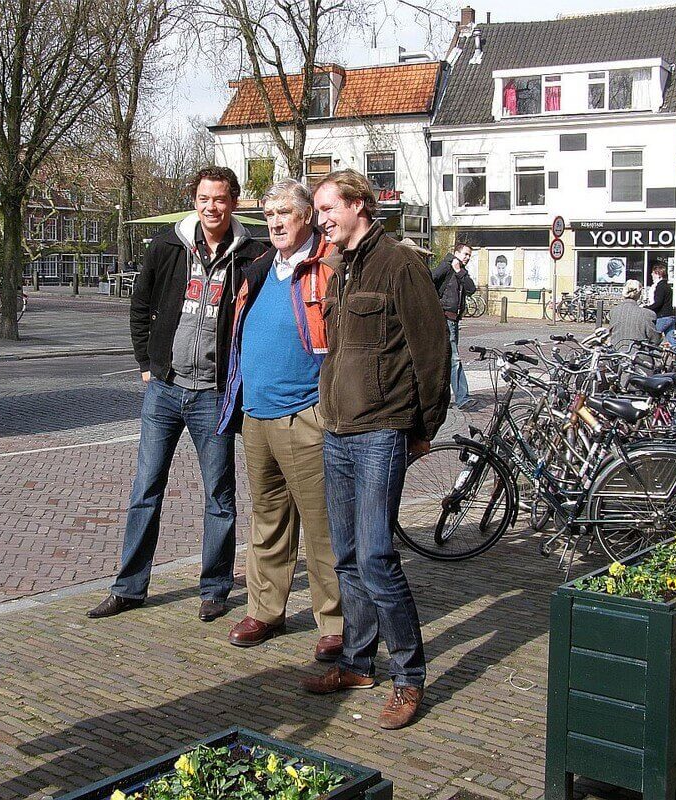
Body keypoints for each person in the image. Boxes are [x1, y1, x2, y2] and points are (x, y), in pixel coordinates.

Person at [301, 170, 450, 730]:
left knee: (377, 558)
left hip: (381, 430)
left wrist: (424, 426)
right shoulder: (340, 269)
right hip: (336, 430)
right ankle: (358, 663)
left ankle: (409, 677)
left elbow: (431, 350)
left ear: (358, 204)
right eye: (317, 212)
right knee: (345, 558)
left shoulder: (400, 264)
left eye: (327, 209)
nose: (321, 221)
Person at [88, 166, 267, 622]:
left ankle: (215, 588)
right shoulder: (168, 246)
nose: (212, 207)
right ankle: (129, 587)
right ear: (195, 200)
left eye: (221, 199)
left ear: (234, 202)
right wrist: (147, 365)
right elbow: (141, 305)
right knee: (145, 490)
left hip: (213, 394)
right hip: (164, 391)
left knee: (219, 496)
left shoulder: (252, 255)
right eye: (204, 198)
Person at [216, 179, 342, 660]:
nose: (275, 222)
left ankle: (336, 621)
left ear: (307, 215)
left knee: (322, 524)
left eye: (284, 212)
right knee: (267, 520)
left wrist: (326, 406)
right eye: (268, 214)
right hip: (256, 415)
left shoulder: (328, 265)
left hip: (306, 416)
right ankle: (266, 611)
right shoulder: (259, 266)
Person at [432, 242, 477, 410]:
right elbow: (430, 279)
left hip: (454, 320)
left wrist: (459, 271)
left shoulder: (460, 270)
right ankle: (462, 398)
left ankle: (438, 398)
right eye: (465, 254)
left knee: (446, 359)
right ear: (456, 252)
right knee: (454, 359)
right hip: (445, 319)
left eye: (469, 256)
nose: (467, 258)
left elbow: (471, 289)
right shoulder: (446, 265)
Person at [647, 262, 676, 366]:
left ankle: (647, 364)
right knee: (673, 343)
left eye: (653, 273)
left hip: (663, 317)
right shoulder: (667, 286)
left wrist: (645, 308)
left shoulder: (660, 286)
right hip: (671, 316)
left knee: (652, 341)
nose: (651, 275)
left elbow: (658, 303)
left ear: (658, 274)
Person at [608, 279, 661, 351]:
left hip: (616, 355)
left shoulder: (613, 311)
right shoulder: (648, 314)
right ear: (639, 294)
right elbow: (655, 340)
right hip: (638, 355)